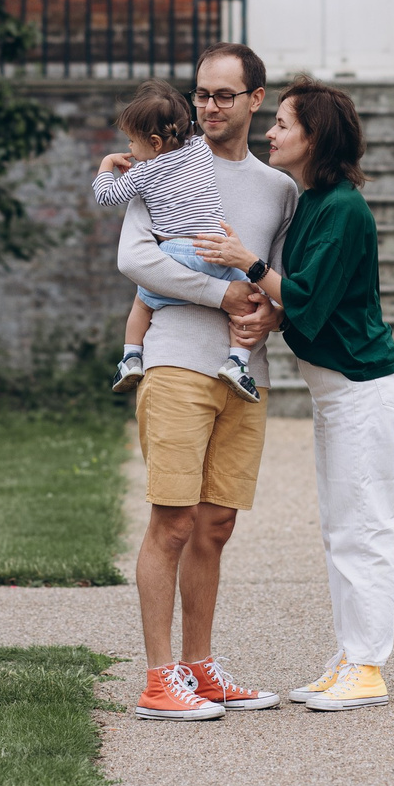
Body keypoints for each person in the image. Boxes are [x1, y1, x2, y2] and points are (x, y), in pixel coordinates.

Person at [196, 77, 394, 713]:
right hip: (335, 390)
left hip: (361, 390)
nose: (271, 133)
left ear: (315, 137)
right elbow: (301, 297)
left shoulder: (343, 209)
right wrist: (270, 307)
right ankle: (349, 654)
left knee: (364, 526)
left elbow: (307, 297)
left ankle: (368, 666)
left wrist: (248, 262)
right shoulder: (314, 200)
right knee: (341, 525)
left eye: (283, 123)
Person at [120, 44, 297, 722]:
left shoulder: (278, 188)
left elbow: (276, 279)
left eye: (225, 95)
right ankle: (159, 680)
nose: (210, 106)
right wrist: (220, 299)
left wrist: (269, 316)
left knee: (215, 524)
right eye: (202, 94)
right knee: (172, 521)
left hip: (244, 375)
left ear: (256, 100)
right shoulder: (163, 166)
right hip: (175, 364)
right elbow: (133, 259)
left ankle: (201, 669)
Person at [90, 79, 260, 402]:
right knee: (247, 298)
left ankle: (130, 357)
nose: (129, 150)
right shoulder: (198, 148)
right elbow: (192, 126)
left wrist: (106, 165)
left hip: (175, 250)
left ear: (155, 143)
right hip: (215, 250)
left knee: (143, 301)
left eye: (131, 142)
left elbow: (106, 195)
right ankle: (237, 362)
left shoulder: (142, 173)